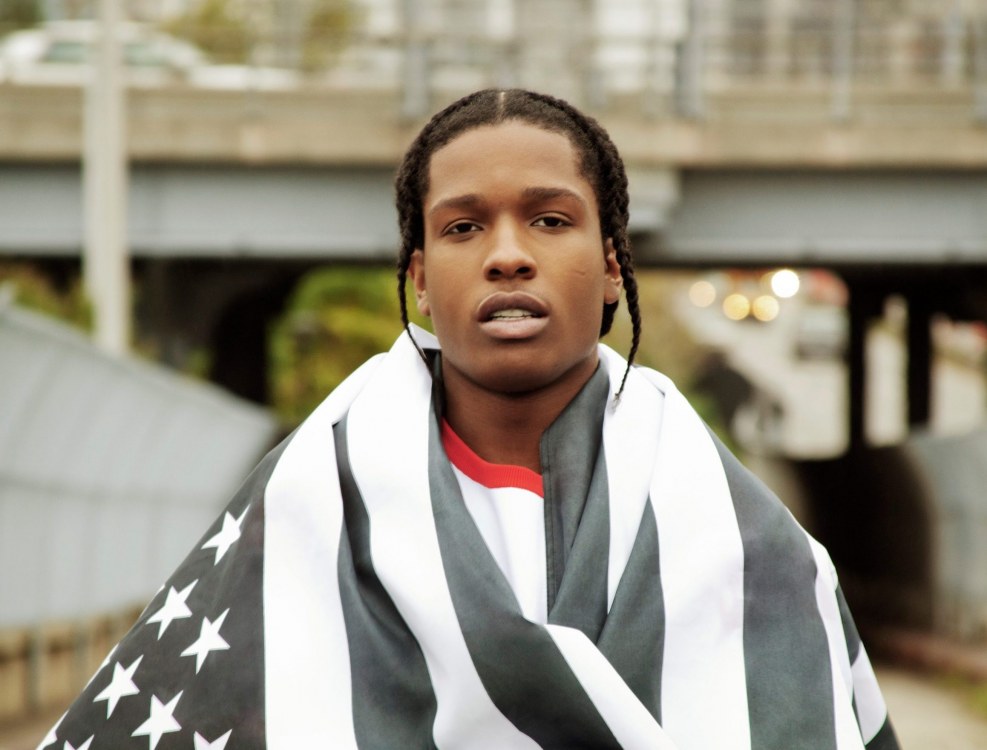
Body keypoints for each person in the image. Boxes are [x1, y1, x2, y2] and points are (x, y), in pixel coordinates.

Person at [42, 89, 899, 750]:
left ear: (611, 266)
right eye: (462, 227)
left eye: (550, 220)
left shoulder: (745, 541)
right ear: (420, 277)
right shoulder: (309, 505)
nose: (507, 254)